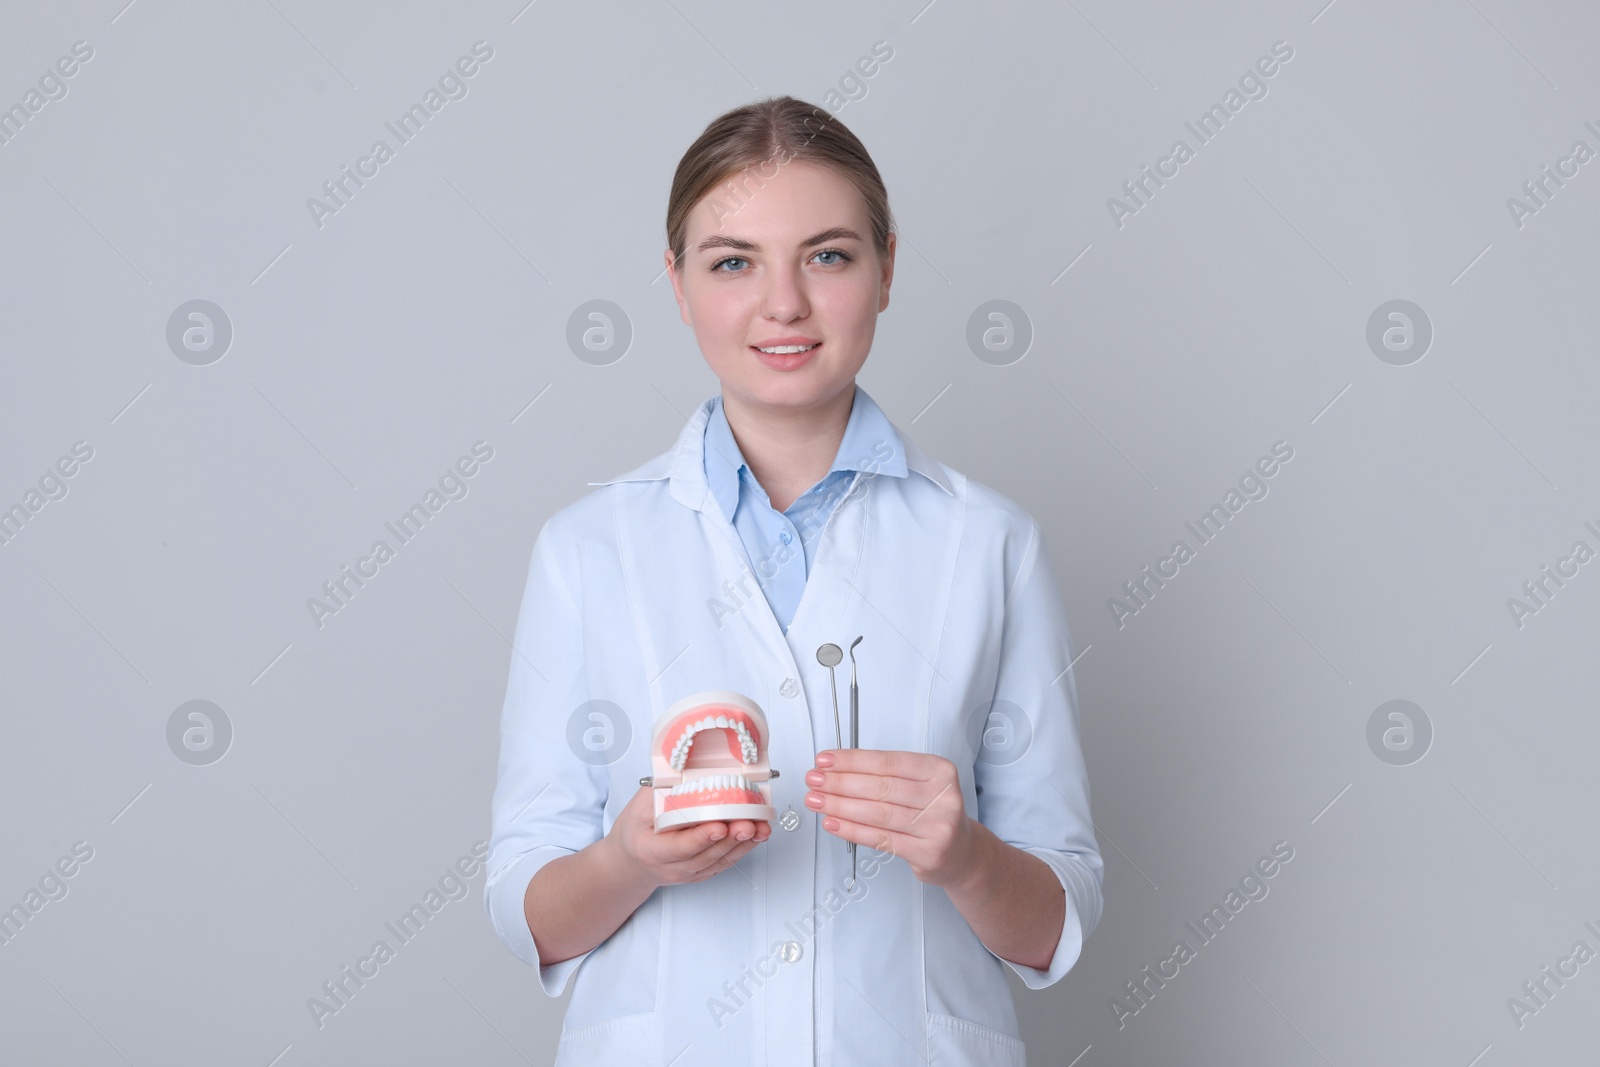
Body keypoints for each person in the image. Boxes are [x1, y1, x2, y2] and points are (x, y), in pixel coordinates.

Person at [484, 95, 1103, 1066]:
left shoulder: (988, 544)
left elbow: (1051, 923)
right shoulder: (587, 548)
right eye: (732, 261)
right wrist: (627, 858)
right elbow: (531, 911)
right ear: (679, 285)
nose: (783, 304)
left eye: (828, 255)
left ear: (886, 267)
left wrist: (966, 854)